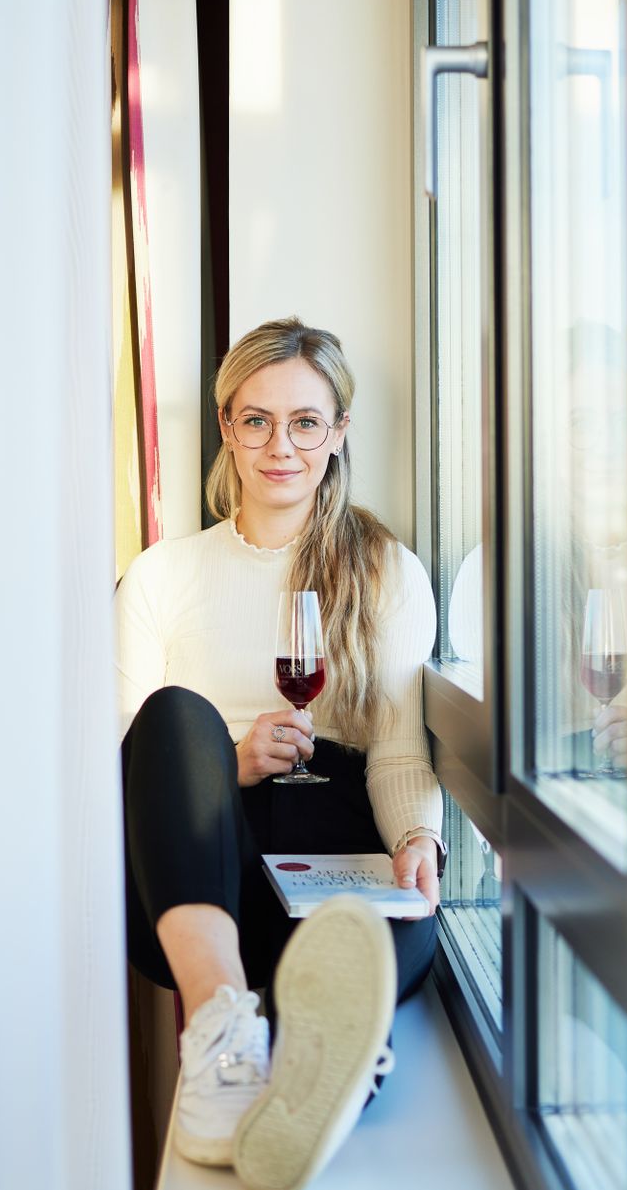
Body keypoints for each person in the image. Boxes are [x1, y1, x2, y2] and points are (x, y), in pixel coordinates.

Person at [115, 317, 442, 1188]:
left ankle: (319, 1067)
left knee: (383, 933)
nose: (281, 445)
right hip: (202, 875)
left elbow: (399, 755)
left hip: (335, 870)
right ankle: (222, 1017)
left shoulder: (386, 572)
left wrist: (419, 841)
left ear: (337, 433)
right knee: (176, 716)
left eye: (305, 421)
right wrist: (230, 759)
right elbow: (128, 759)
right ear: (227, 426)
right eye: (256, 420)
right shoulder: (162, 576)